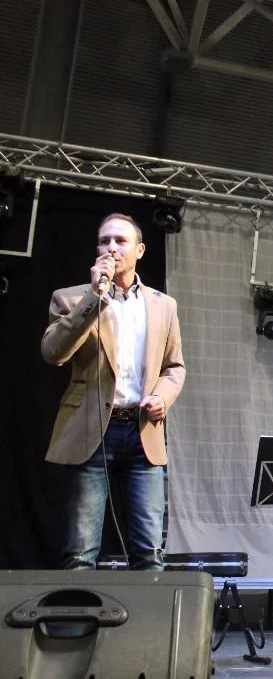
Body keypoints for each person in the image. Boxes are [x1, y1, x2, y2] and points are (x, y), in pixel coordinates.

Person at [41, 213, 185, 571]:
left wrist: (161, 398)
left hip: (142, 432)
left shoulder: (163, 305)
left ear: (140, 250)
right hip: (90, 430)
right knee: (80, 553)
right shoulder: (71, 298)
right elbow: (53, 353)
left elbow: (174, 367)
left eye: (120, 241)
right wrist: (95, 296)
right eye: (104, 241)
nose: (111, 248)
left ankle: (147, 611)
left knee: (149, 554)